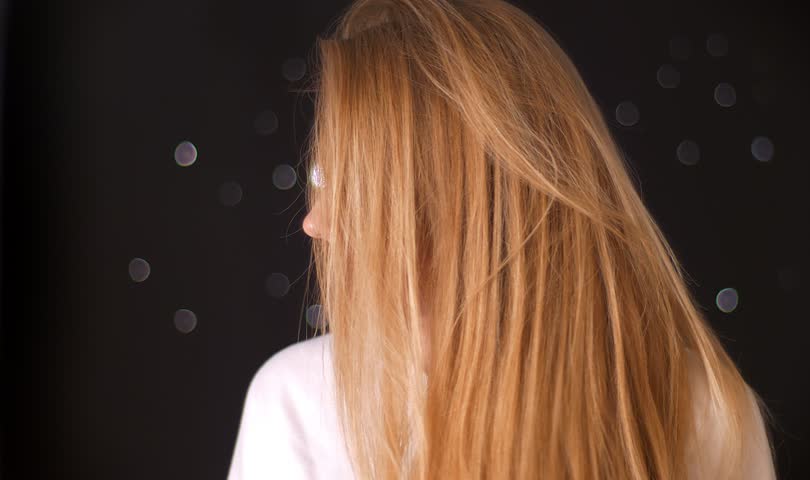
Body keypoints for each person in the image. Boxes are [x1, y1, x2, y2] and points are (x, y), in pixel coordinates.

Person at [227, 0, 777, 478]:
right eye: (323, 177)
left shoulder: (705, 418)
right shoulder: (297, 403)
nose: (315, 223)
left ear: (463, 205)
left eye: (362, 187)